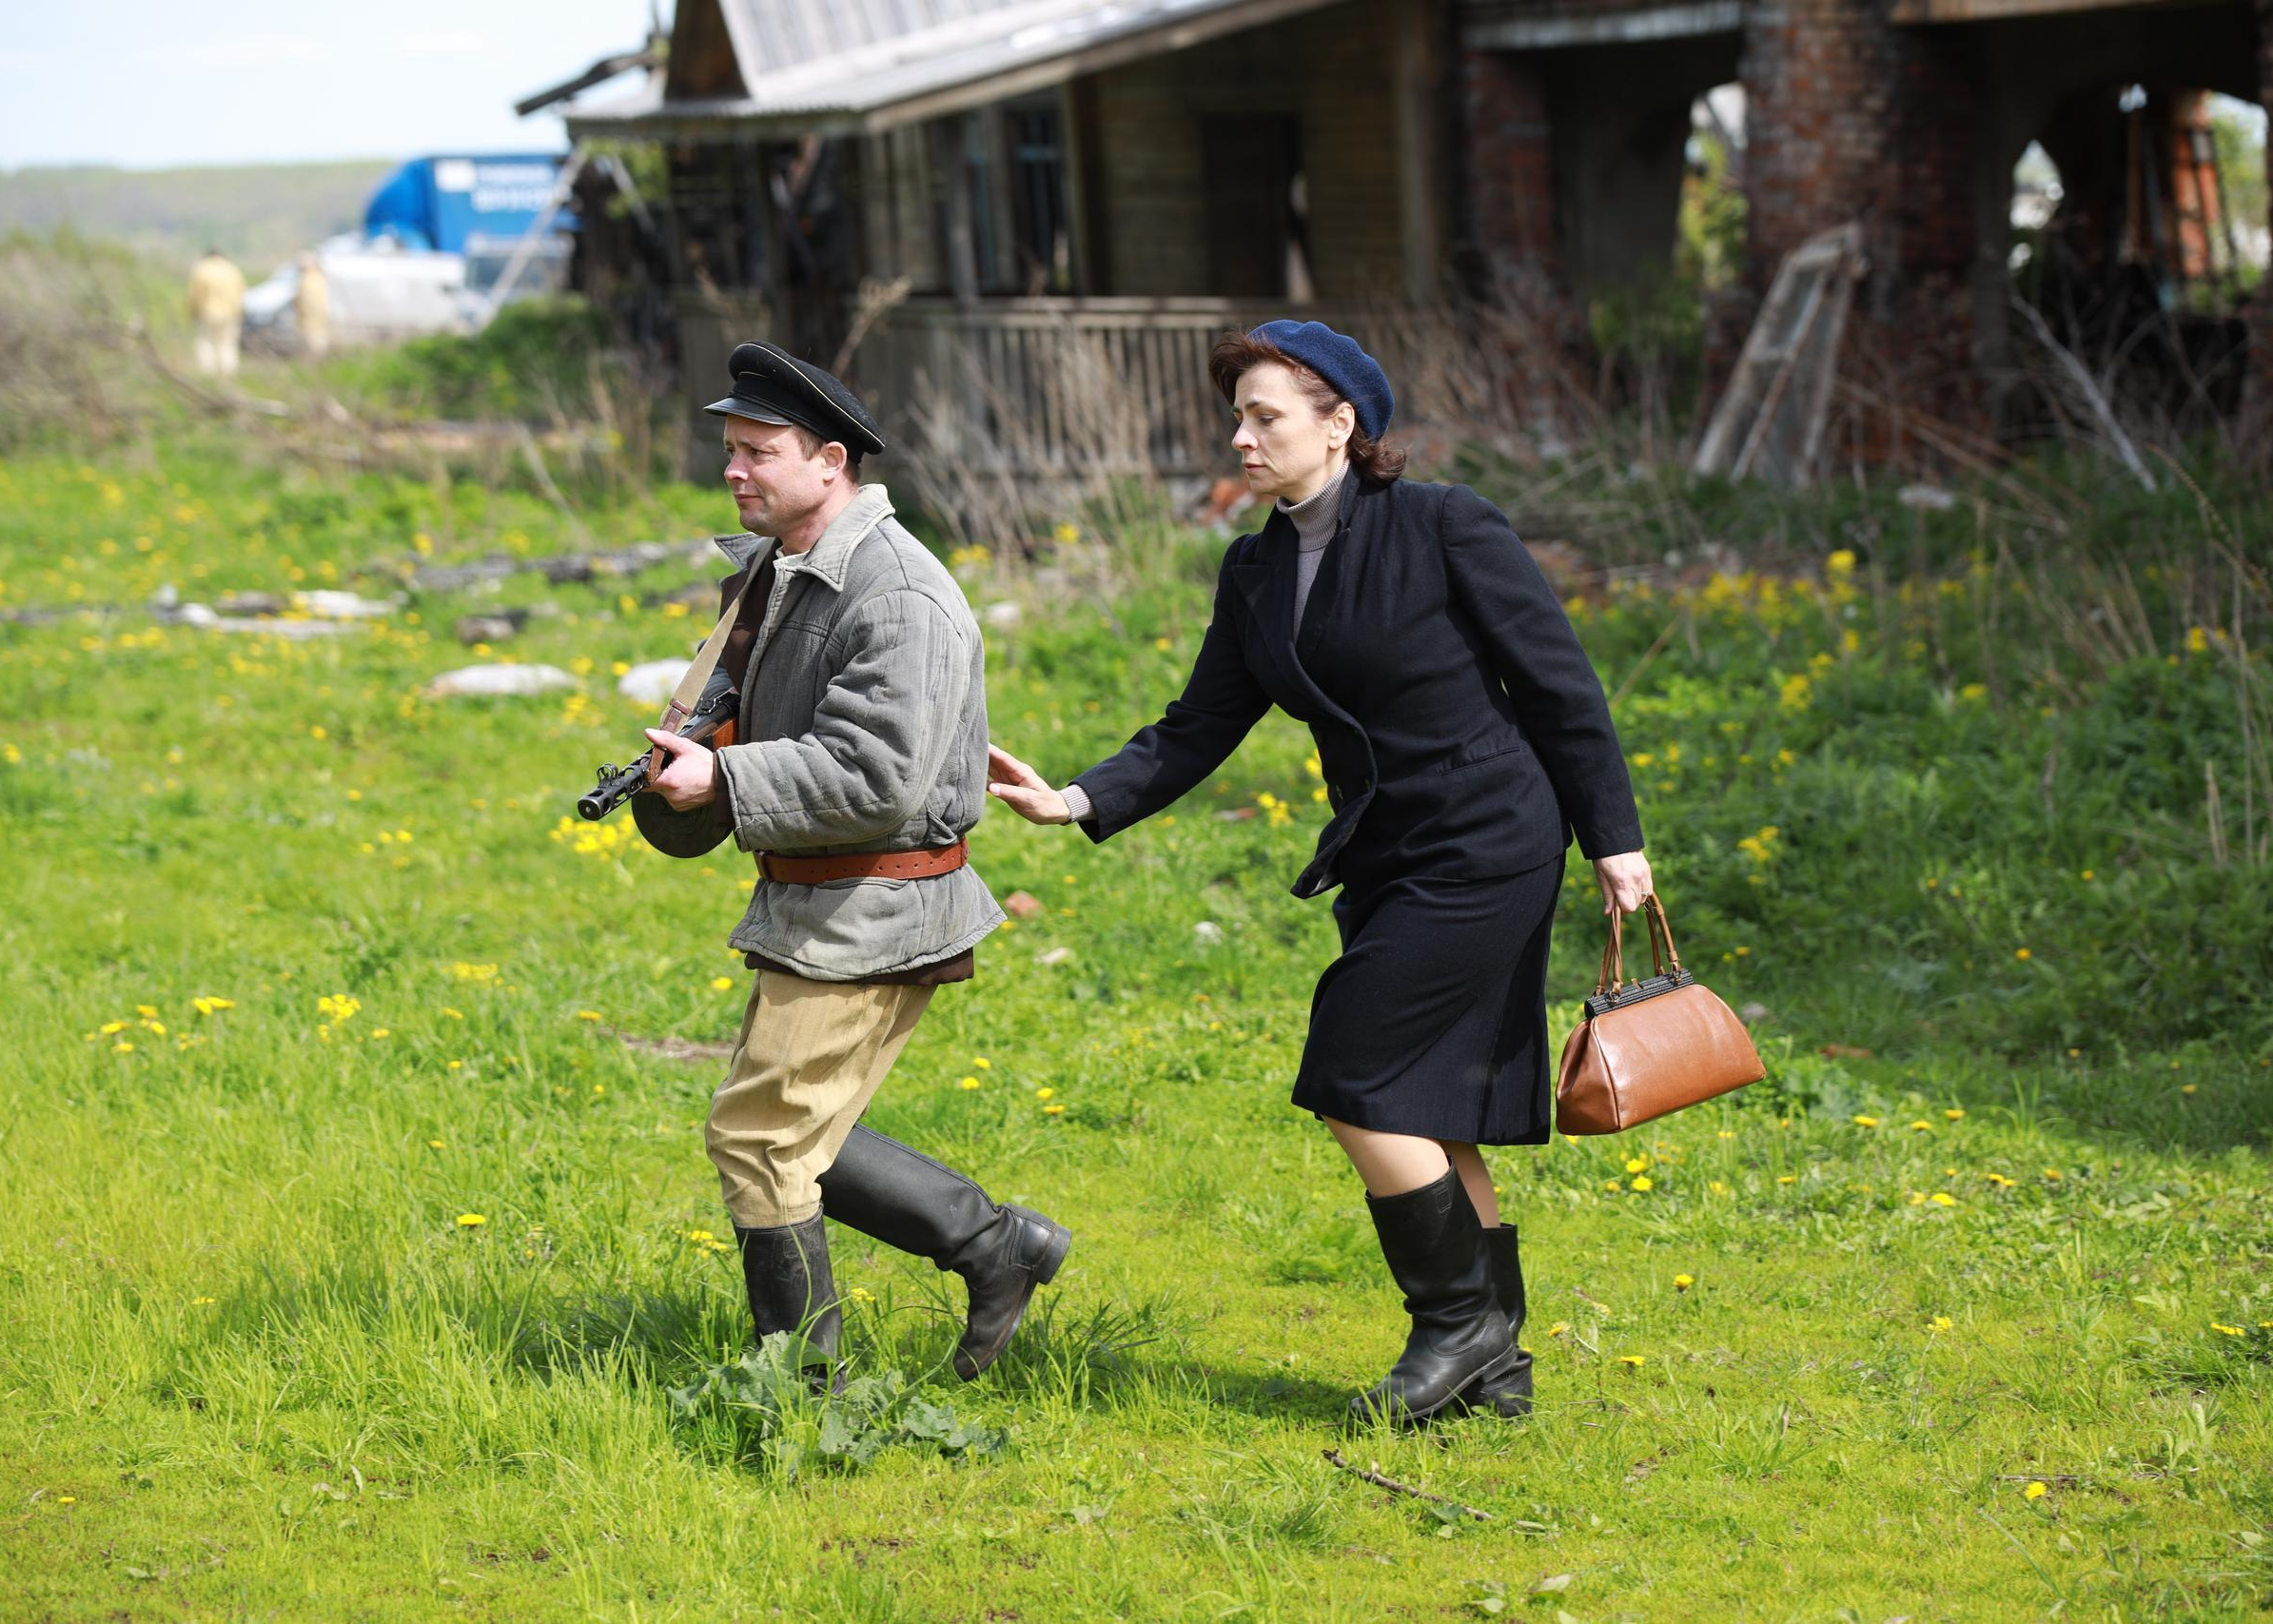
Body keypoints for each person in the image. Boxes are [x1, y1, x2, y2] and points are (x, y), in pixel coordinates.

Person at [987, 322, 1653, 1427]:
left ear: (1340, 423)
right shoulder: (1255, 565)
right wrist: (1078, 797)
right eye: (1237, 416)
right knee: (1432, 1110)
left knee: (1353, 1070)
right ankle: (1496, 1368)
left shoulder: (1442, 525)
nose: (1239, 437)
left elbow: (1557, 686)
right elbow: (1201, 720)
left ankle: (1456, 1324)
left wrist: (1613, 838)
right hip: (1387, 850)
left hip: (1489, 835)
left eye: (1265, 416)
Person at [634, 341, 1071, 1387]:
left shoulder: (897, 597)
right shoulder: (784, 568)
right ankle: (997, 1247)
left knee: (763, 1141)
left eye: (758, 452)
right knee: (787, 1128)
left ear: (830, 461)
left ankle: (802, 1389)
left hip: (873, 901)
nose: (733, 470)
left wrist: (728, 786)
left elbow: (874, 775)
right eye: (728, 450)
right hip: (821, 895)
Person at [185, 249, 245, 379]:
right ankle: (229, 374)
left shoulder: (201, 270)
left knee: (206, 342)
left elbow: (194, 295)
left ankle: (207, 375)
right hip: (230, 313)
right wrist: (239, 312)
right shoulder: (231, 270)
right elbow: (241, 293)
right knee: (227, 344)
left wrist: (193, 311)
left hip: (207, 312)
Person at [293, 253, 332, 360]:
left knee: (313, 351)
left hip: (312, 323)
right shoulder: (317, 278)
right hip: (316, 322)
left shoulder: (310, 280)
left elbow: (309, 303)